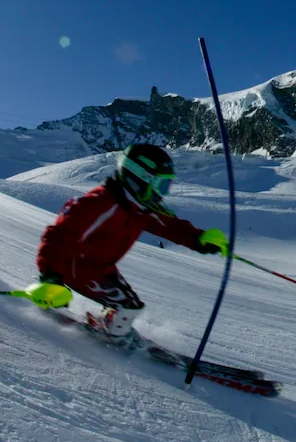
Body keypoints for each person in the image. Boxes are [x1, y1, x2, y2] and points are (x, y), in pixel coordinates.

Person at [35, 144, 229, 338]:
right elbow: (59, 235)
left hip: (101, 268)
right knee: (127, 308)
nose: (162, 193)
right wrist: (50, 276)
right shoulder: (102, 203)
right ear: (140, 178)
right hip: (75, 266)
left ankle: (109, 325)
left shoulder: (138, 208)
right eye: (160, 185)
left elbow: (169, 226)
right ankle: (112, 334)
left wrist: (197, 239)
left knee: (131, 306)